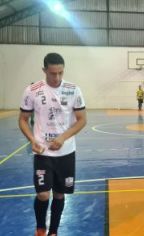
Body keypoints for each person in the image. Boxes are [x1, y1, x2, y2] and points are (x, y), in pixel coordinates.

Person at [18, 53, 87, 236]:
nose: (56, 78)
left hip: (66, 153)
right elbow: (23, 120)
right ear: (44, 70)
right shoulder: (32, 90)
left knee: (59, 194)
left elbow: (81, 120)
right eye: (52, 73)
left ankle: (54, 231)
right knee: (43, 194)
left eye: (60, 73)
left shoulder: (74, 90)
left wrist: (63, 137)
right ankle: (41, 228)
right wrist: (32, 141)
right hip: (43, 153)